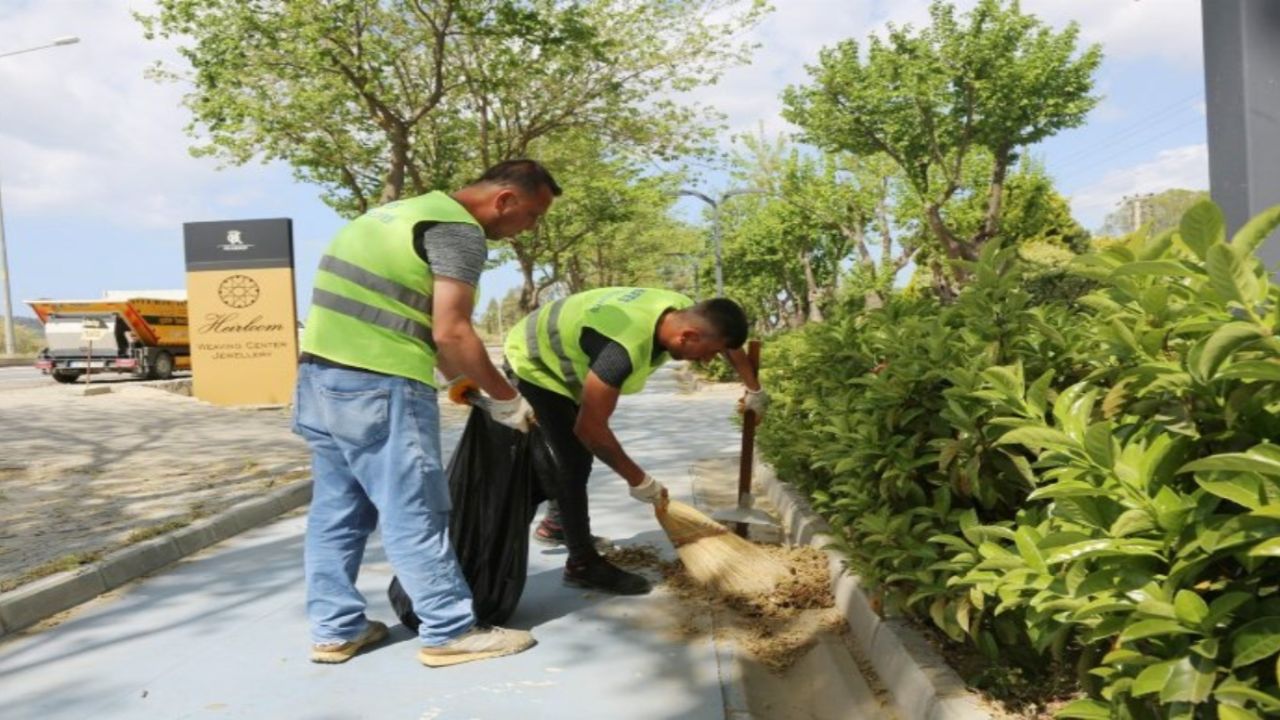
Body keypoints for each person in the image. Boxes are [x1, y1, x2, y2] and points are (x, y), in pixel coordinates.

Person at [292, 160, 560, 667]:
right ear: (504, 199)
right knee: (414, 507)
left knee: (338, 512)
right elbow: (452, 331)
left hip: (319, 381)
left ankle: (335, 629)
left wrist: (459, 382)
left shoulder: (391, 216)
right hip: (382, 385)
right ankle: (449, 629)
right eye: (532, 214)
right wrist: (506, 397)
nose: (531, 228)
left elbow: (400, 315)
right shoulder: (459, 232)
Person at [498, 287, 769, 594]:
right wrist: (639, 480)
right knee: (571, 458)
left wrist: (754, 389)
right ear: (687, 337)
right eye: (707, 353)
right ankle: (582, 564)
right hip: (535, 360)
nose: (707, 361)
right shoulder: (621, 350)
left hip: (571, 350)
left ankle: (558, 525)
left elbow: (726, 338)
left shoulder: (683, 311)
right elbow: (590, 428)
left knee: (574, 457)